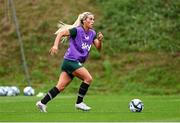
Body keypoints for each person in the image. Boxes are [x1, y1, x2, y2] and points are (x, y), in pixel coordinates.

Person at [36, 12, 103, 112]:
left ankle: (42, 103)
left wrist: (100, 40)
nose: (93, 21)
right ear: (84, 21)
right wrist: (55, 45)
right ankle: (79, 103)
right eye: (90, 19)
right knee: (88, 78)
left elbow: (98, 48)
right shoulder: (77, 30)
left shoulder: (92, 33)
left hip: (70, 62)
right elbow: (61, 33)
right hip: (71, 61)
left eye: (93, 19)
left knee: (60, 87)